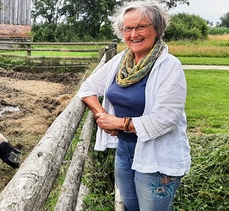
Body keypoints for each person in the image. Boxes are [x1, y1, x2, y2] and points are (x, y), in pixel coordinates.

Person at [77, 1, 191, 211]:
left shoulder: (169, 67)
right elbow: (87, 88)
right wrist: (103, 117)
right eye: (128, 28)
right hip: (124, 150)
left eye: (141, 27)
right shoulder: (122, 61)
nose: (133, 34)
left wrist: (118, 123)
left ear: (157, 29)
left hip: (157, 155)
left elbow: (165, 120)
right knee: (130, 206)